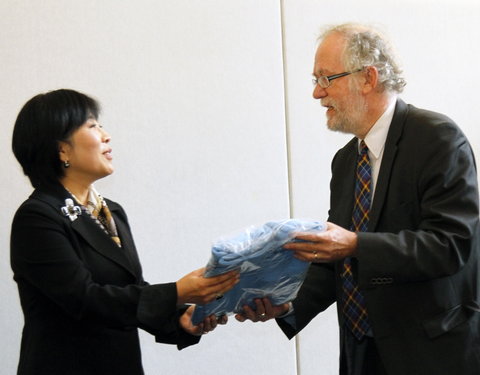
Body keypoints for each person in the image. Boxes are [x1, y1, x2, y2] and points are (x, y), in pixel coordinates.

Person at [235, 23, 480, 375]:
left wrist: (355, 245)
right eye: (315, 80)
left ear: (367, 78)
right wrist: (284, 304)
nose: (317, 94)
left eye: (326, 79)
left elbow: (451, 245)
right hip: (361, 354)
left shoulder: (438, 139)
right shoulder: (347, 159)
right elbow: (336, 257)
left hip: (429, 355)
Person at [10, 89, 239, 375]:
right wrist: (177, 293)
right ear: (62, 149)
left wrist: (179, 319)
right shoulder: (37, 217)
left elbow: (128, 292)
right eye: (92, 126)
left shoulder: (111, 211)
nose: (106, 136)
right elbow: (85, 299)